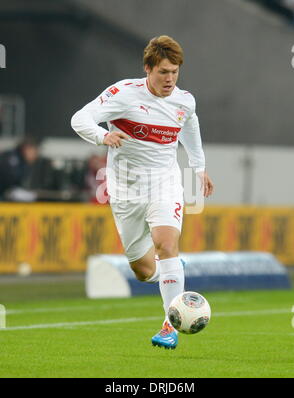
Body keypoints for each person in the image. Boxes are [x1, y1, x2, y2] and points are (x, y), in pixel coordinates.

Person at [71, 35, 214, 349]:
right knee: (143, 269)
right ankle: (172, 270)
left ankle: (170, 325)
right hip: (124, 191)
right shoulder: (123, 94)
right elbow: (79, 118)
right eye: (163, 72)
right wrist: (101, 137)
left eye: (175, 72)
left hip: (164, 183)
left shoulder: (184, 100)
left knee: (166, 245)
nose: (170, 79)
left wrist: (198, 167)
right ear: (148, 68)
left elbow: (190, 124)